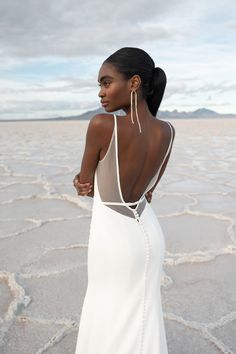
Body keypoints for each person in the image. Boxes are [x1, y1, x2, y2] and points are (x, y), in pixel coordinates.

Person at [73, 47, 175, 354]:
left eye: (106, 83)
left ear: (133, 83)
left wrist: (79, 183)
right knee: (143, 315)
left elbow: (87, 186)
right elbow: (149, 191)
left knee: (107, 315)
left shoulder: (103, 126)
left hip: (114, 240)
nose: (101, 93)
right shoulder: (167, 131)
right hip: (149, 233)